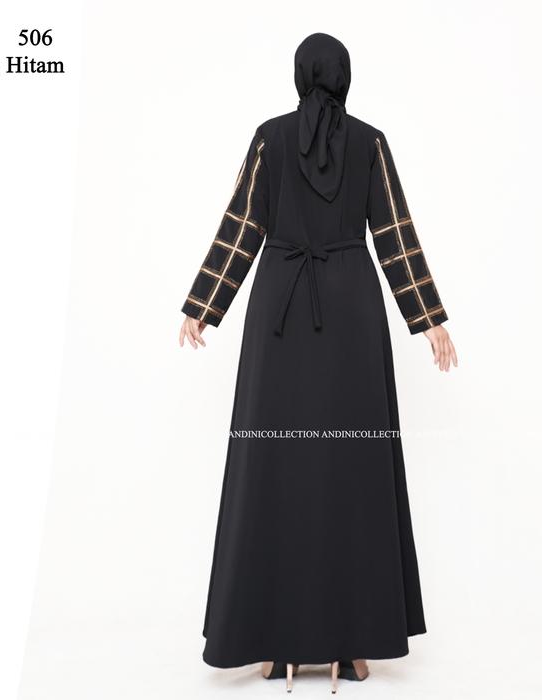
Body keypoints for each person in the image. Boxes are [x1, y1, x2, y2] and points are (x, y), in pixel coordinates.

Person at [179, 32, 457, 693]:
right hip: (352, 315)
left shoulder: (270, 138)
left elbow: (242, 227)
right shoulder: (369, 142)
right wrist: (429, 318)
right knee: (351, 469)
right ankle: (353, 643)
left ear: (300, 75)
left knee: (275, 466)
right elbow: (393, 234)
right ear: (345, 77)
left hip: (279, 315)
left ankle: (277, 643)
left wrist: (203, 305)